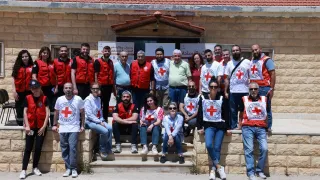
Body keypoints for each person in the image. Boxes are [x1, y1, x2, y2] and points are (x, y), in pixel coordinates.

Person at [197, 77, 228, 180]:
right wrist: (199, 126)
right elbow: (200, 113)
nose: (213, 88)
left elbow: (226, 113)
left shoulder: (222, 98)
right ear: (208, 88)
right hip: (209, 125)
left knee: (217, 147)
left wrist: (227, 127)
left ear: (218, 88)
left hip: (220, 126)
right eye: (212, 87)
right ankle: (219, 167)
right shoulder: (203, 98)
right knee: (209, 144)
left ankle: (213, 170)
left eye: (215, 87)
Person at [52, 83, 85, 178]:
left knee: (73, 148)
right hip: (62, 127)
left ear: (73, 89)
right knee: (64, 148)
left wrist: (82, 125)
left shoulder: (78, 99)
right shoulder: (59, 99)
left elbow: (82, 113)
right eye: (66, 88)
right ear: (63, 90)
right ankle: (68, 168)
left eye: (70, 88)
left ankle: (73, 168)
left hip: (74, 127)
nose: (68, 90)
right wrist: (54, 124)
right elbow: (56, 112)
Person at [19, 80, 49, 179]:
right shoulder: (27, 98)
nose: (35, 90)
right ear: (31, 89)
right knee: (28, 148)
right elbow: (25, 113)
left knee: (38, 148)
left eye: (36, 88)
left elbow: (47, 113)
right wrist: (27, 126)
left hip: (41, 127)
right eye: (33, 88)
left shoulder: (44, 98)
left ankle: (35, 167)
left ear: (40, 88)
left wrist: (44, 126)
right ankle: (23, 170)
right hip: (30, 127)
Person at [239, 82, 268, 180]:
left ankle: (260, 170)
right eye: (251, 89)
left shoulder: (264, 99)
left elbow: (268, 113)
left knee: (264, 148)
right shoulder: (244, 99)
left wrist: (268, 126)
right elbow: (241, 112)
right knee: (249, 149)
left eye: (255, 89)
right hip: (248, 127)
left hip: (261, 127)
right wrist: (240, 124)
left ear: (258, 90)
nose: (253, 91)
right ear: (249, 90)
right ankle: (251, 172)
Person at [250, 44, 276, 132]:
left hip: (264, 88)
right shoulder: (253, 60)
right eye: (253, 50)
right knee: (256, 107)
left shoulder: (267, 60)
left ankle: (268, 126)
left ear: (260, 49)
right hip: (254, 88)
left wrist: (271, 89)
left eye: (256, 50)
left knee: (266, 107)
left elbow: (273, 74)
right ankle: (258, 124)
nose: (254, 51)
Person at [224, 45, 251, 129]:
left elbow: (251, 76)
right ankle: (233, 126)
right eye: (233, 51)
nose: (235, 52)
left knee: (244, 110)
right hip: (233, 91)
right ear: (232, 53)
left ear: (240, 51)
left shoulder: (247, 62)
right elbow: (226, 79)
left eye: (237, 50)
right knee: (233, 111)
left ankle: (242, 125)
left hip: (245, 90)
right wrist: (225, 91)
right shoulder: (229, 63)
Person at [84, 83, 113, 160]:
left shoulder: (98, 99)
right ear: (91, 89)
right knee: (105, 131)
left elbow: (99, 112)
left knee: (110, 128)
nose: (95, 90)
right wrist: (99, 122)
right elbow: (89, 115)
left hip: (98, 120)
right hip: (89, 122)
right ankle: (102, 149)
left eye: (97, 88)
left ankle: (108, 148)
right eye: (94, 89)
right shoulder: (88, 100)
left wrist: (102, 120)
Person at [32, 47, 56, 126]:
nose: (45, 54)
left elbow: (56, 76)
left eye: (47, 53)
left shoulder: (52, 63)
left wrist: (56, 87)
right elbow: (34, 76)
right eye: (44, 53)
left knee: (52, 106)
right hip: (42, 88)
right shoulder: (37, 63)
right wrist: (39, 88)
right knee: (42, 106)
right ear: (41, 54)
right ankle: (44, 123)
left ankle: (53, 124)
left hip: (51, 87)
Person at [12, 50, 33, 126]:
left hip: (29, 91)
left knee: (29, 107)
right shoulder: (17, 67)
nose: (24, 58)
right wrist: (14, 91)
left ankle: (29, 123)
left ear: (29, 57)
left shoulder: (32, 67)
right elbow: (13, 79)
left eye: (26, 56)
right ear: (20, 58)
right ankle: (20, 124)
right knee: (19, 108)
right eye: (23, 57)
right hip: (19, 91)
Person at [94, 46, 116, 120]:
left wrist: (113, 88)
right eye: (105, 51)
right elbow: (96, 75)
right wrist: (97, 88)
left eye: (108, 51)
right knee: (99, 104)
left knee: (106, 104)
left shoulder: (110, 62)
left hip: (109, 86)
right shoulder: (98, 61)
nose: (107, 52)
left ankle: (105, 119)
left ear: (110, 52)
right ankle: (98, 119)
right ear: (102, 52)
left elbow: (112, 75)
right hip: (101, 86)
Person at [220, 49, 231, 129]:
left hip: (230, 89)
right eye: (224, 55)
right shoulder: (220, 64)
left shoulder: (232, 64)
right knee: (222, 106)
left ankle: (229, 123)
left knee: (230, 107)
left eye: (227, 54)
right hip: (221, 89)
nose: (225, 56)